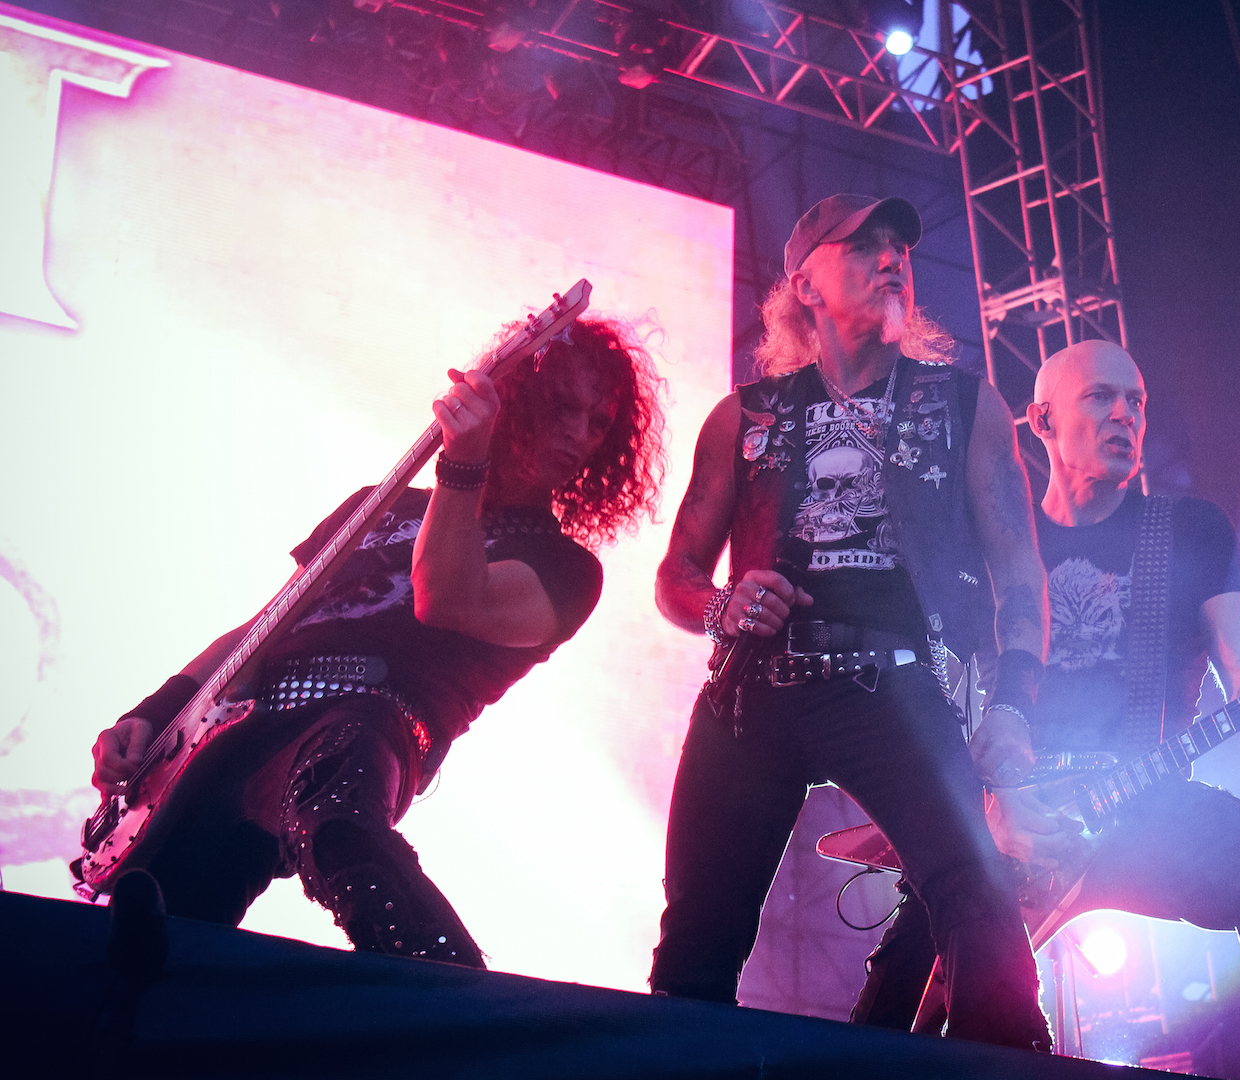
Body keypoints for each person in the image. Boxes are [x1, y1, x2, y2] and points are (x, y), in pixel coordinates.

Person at [852, 338, 1240, 1078]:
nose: (1125, 415)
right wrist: (974, 807)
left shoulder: (1190, 530)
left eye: (1136, 401)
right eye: (1100, 397)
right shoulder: (992, 541)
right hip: (1009, 816)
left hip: (1146, 802)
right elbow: (945, 689)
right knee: (899, 996)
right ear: (1042, 421)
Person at [88, 316, 665, 967]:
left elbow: (443, 596)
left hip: (371, 716)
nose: (579, 434)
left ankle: (450, 995)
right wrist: (156, 712)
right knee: (163, 914)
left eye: (598, 423)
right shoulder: (379, 504)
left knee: (338, 822)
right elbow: (266, 626)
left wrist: (463, 462)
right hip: (240, 723)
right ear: (518, 400)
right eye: (563, 407)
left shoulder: (566, 569)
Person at [647, 193, 1052, 1050]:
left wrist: (1014, 703)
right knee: (695, 945)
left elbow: (1019, 571)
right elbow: (675, 578)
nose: (892, 256)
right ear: (806, 284)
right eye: (862, 245)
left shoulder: (965, 405)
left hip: (894, 685)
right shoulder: (744, 417)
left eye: (899, 243)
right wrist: (722, 604)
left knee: (976, 897)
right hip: (754, 691)